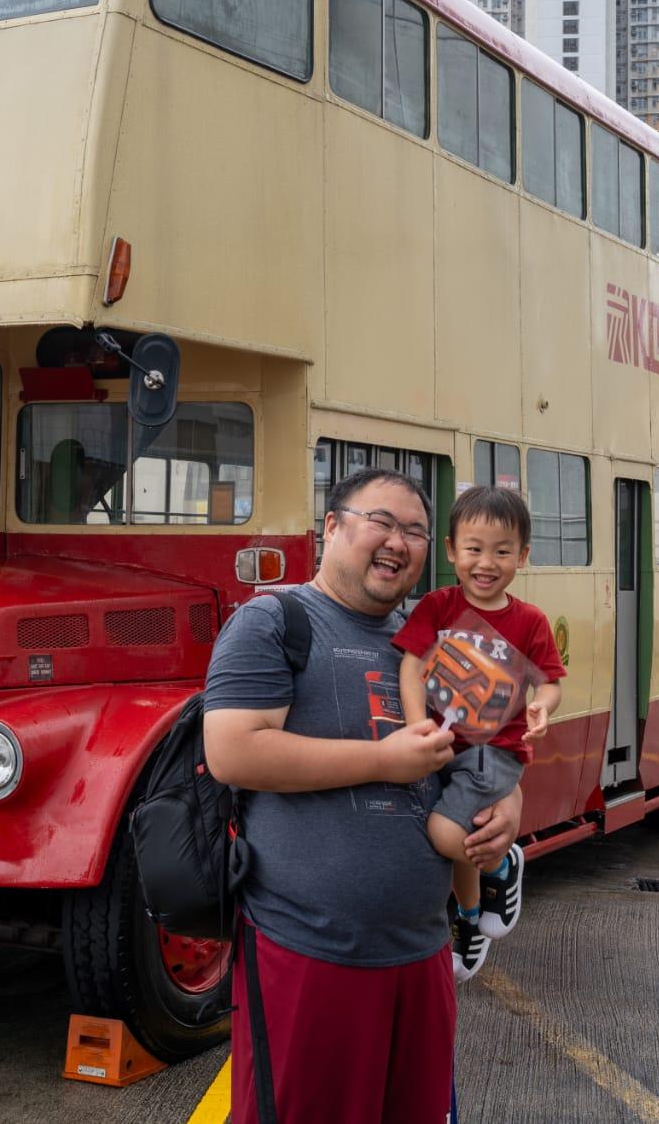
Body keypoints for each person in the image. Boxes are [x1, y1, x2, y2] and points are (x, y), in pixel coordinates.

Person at [204, 468, 524, 1124]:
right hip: (308, 953)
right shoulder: (274, 621)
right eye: (382, 521)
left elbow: (483, 758)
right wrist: (384, 760)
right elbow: (233, 750)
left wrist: (508, 809)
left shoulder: (437, 639)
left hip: (422, 955)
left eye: (415, 531)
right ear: (331, 526)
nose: (398, 542)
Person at [394, 485, 565, 983]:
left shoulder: (529, 621)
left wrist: (541, 707)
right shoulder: (437, 607)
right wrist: (416, 727)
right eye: (474, 549)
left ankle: (498, 871)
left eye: (502, 552)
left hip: (495, 751)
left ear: (523, 556)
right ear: (451, 550)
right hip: (443, 744)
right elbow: (412, 667)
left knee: (446, 832)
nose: (486, 563)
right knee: (459, 833)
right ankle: (472, 914)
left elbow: (549, 682)